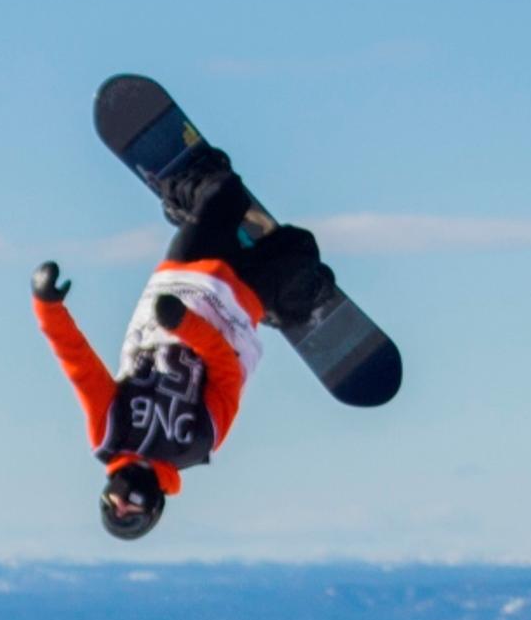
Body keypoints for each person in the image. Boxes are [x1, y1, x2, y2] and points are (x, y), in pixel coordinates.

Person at [28, 140, 335, 541]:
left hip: (185, 277)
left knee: (227, 192)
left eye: (113, 506)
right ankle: (287, 302)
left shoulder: (110, 432)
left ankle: (184, 203)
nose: (123, 500)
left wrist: (47, 305)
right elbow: (226, 368)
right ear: (153, 507)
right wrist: (185, 326)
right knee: (300, 247)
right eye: (131, 509)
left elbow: (78, 364)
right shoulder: (197, 443)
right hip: (240, 304)